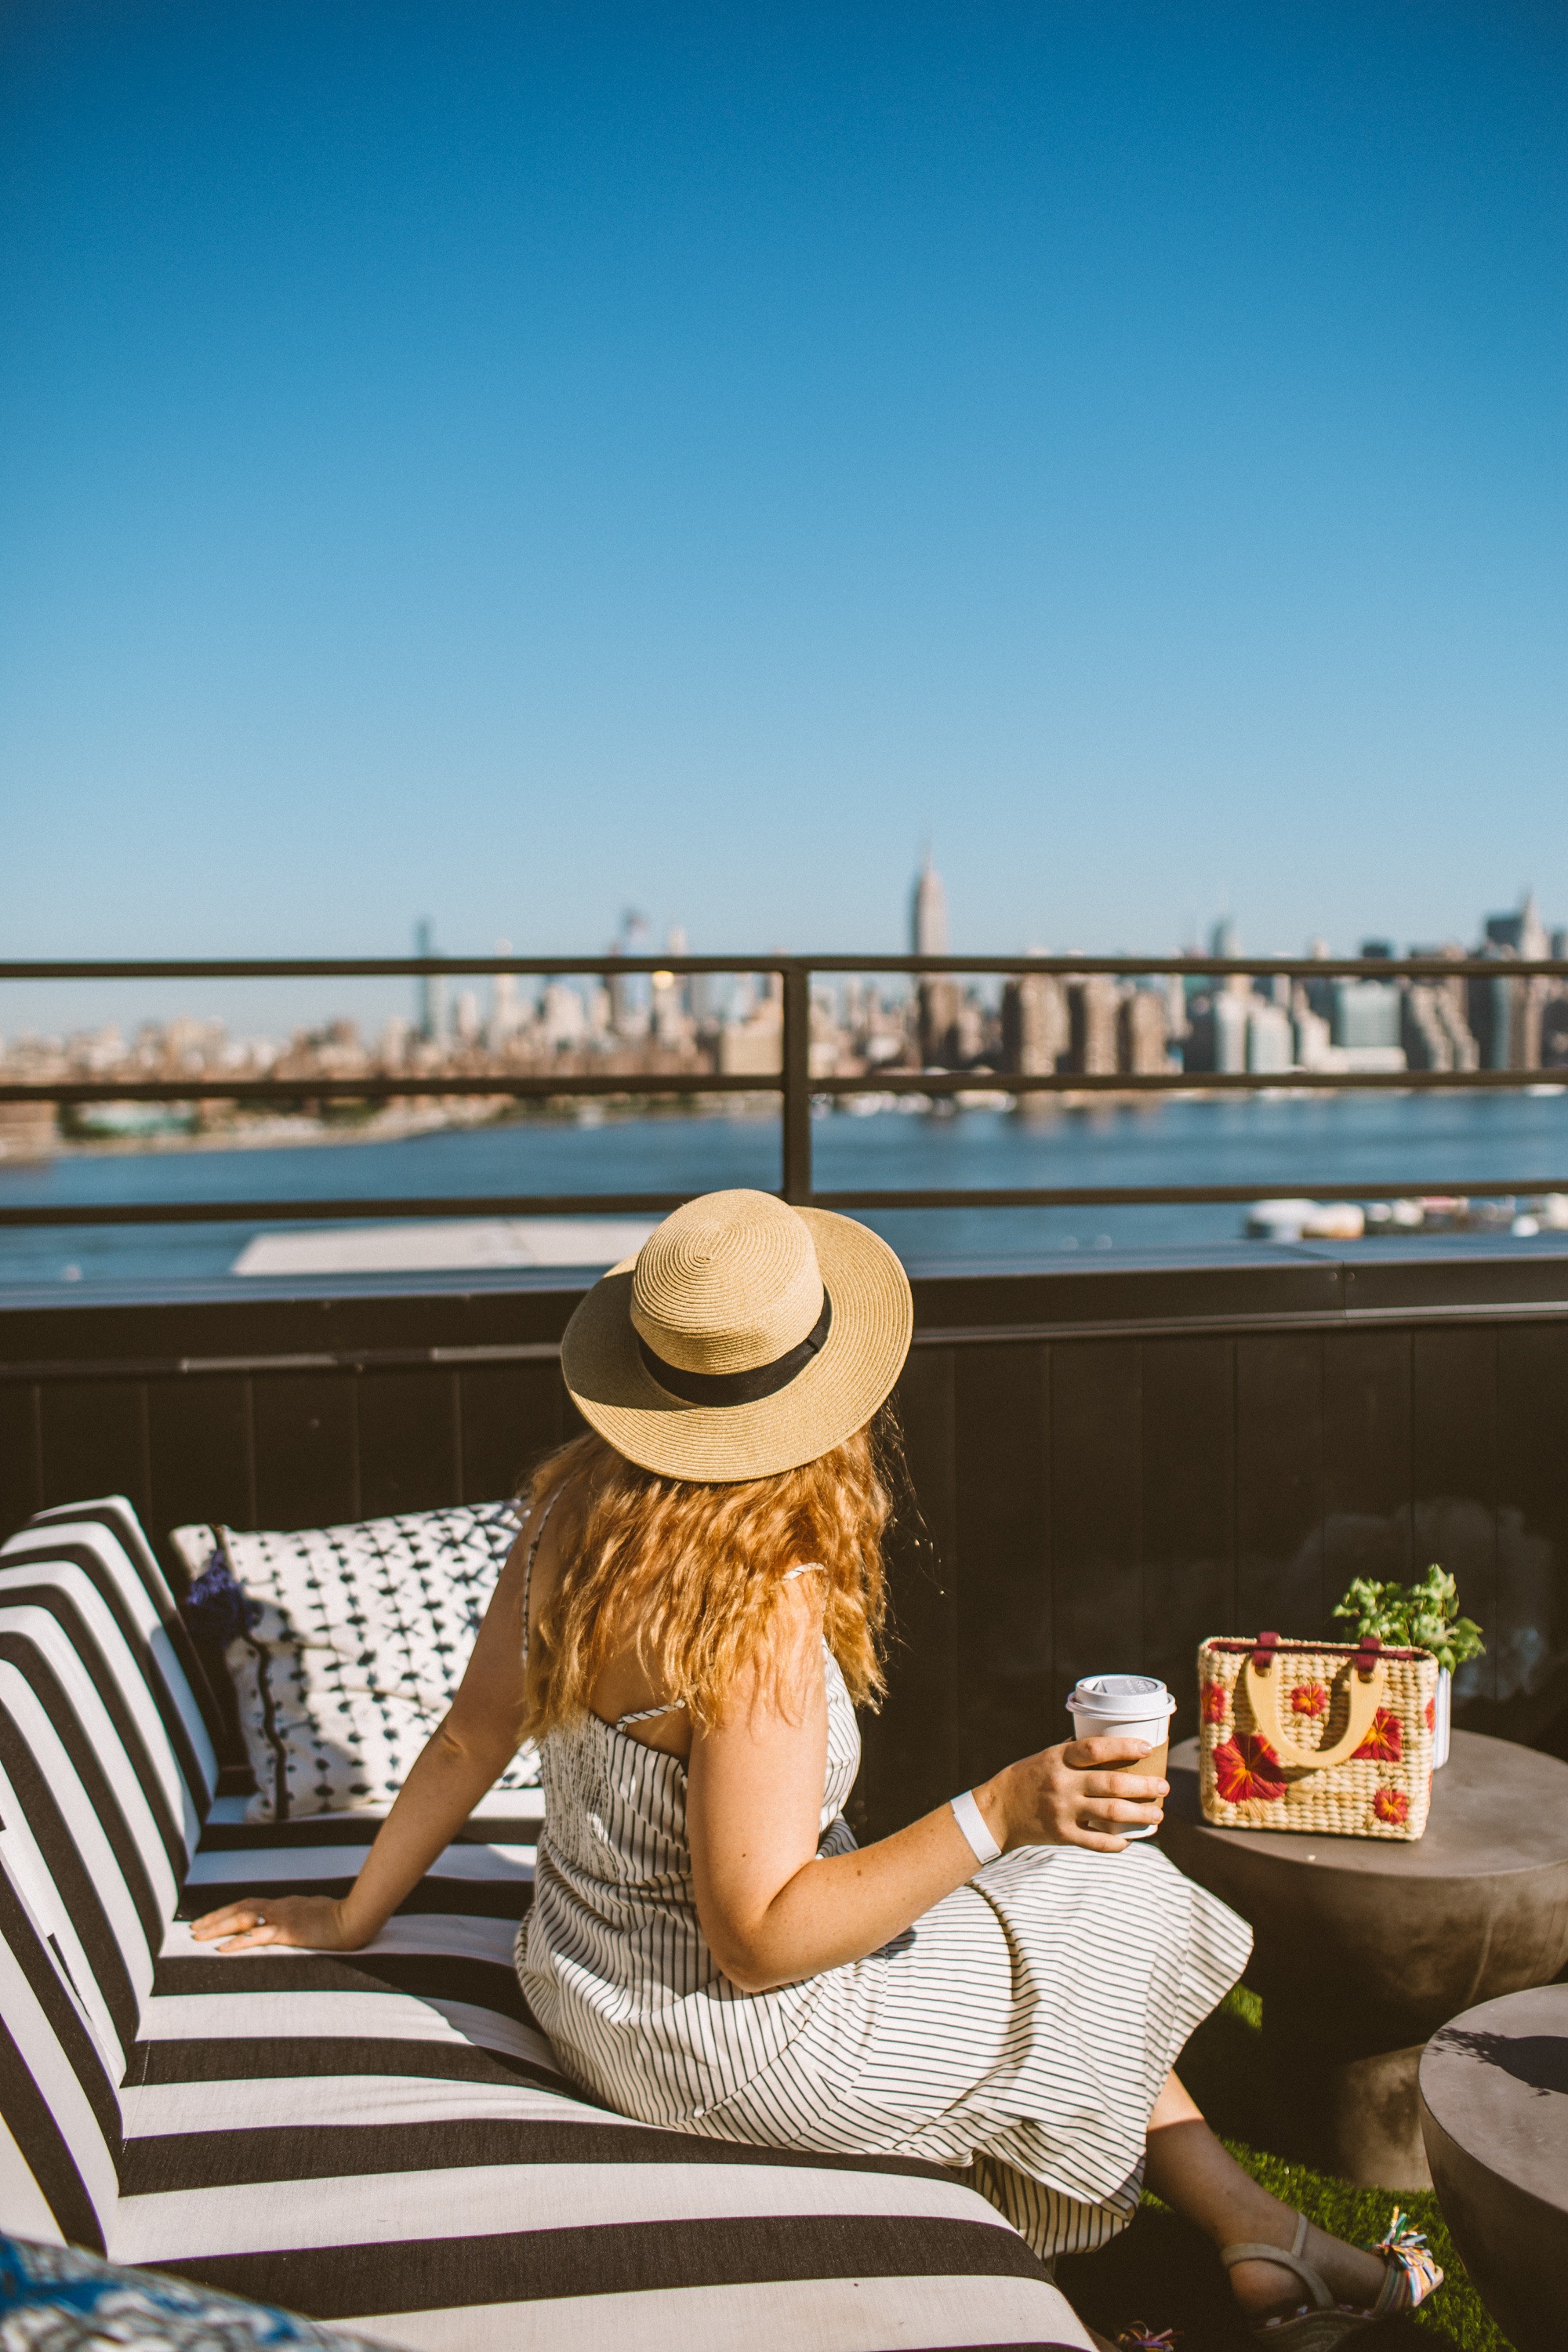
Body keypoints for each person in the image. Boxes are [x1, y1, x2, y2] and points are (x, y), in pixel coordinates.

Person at [196, 1190, 1442, 2347]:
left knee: (1045, 1922)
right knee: (1106, 1897)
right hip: (728, 2045)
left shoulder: (566, 1518)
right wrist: (1008, 1805)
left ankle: (1256, 2236)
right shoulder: (756, 1610)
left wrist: (354, 1912)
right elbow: (759, 1940)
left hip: (579, 1984)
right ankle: (1268, 2241)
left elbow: (472, 1734)